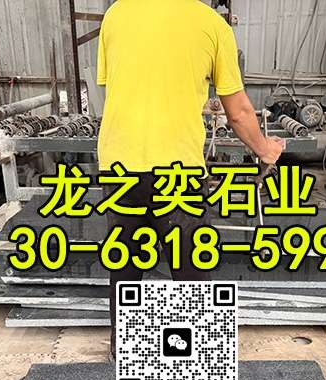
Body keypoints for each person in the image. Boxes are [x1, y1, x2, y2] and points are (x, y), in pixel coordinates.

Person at [96, 0, 284, 355]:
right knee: (190, 269)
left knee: (126, 264)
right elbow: (238, 112)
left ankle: (124, 353)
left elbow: (118, 88)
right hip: (176, 168)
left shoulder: (116, 14)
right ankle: (192, 358)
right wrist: (265, 148)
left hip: (120, 165)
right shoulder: (211, 25)